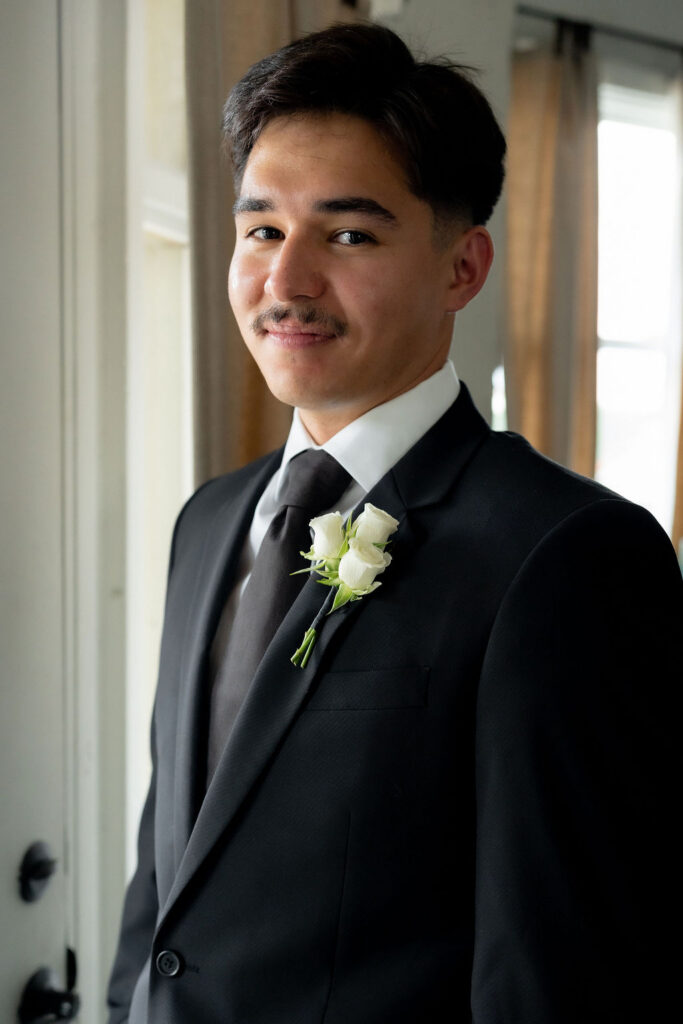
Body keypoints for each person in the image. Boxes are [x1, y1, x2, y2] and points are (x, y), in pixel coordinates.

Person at [107, 23, 681, 1024]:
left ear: (461, 268)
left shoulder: (565, 556)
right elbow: (170, 885)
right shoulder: (208, 521)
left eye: (347, 234)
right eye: (260, 229)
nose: (284, 282)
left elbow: (561, 976)